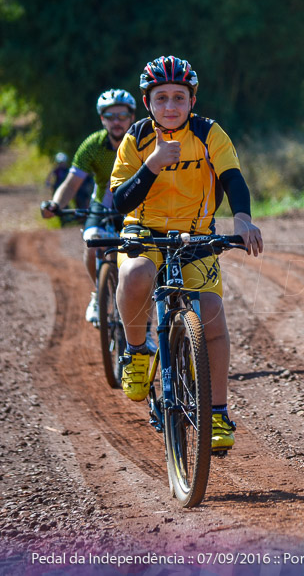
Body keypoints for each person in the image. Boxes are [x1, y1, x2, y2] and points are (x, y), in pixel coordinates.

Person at [109, 55, 263, 453]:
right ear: (148, 103)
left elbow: (232, 177)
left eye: (179, 97)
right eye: (161, 98)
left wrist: (242, 219)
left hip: (195, 237)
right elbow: (120, 201)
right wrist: (152, 164)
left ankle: (216, 412)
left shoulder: (210, 133)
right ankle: (137, 351)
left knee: (212, 311)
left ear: (192, 100)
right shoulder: (137, 138)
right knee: (135, 276)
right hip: (143, 232)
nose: (171, 107)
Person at [41, 90, 136, 324]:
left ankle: (143, 329)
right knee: (92, 243)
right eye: (110, 116)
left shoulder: (141, 142)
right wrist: (56, 204)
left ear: (132, 117)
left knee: (141, 262)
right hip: (102, 206)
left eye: (122, 115)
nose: (116, 121)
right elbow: (72, 182)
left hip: (136, 208)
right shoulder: (92, 144)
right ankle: (99, 293)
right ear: (101, 119)